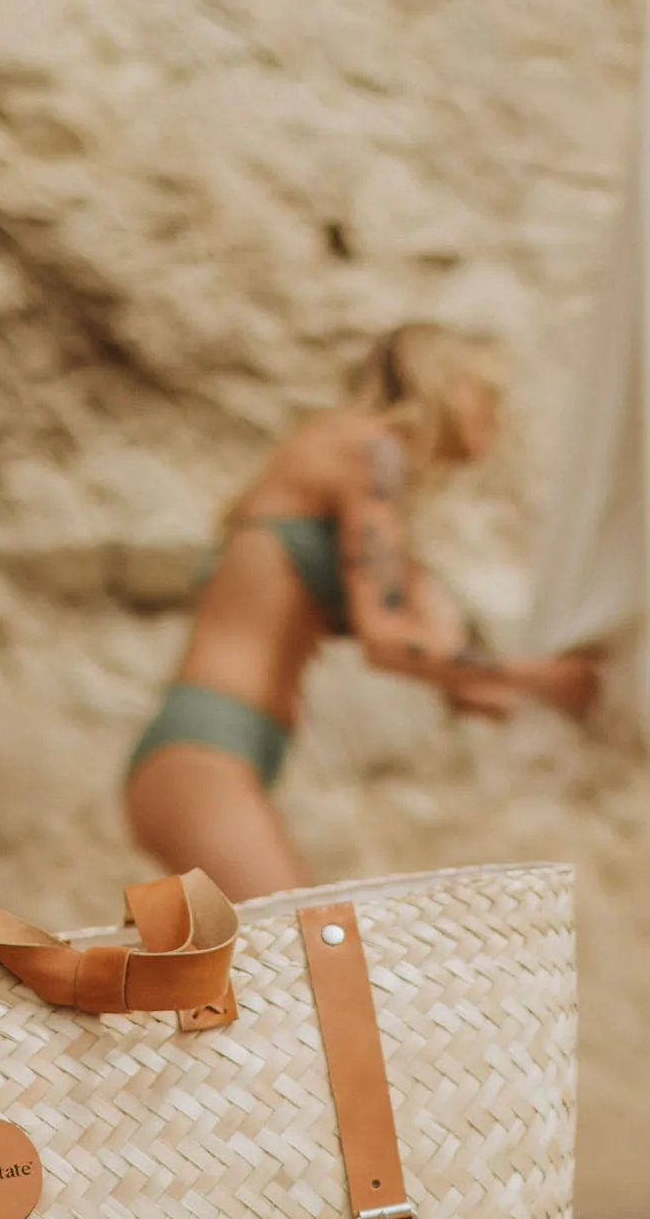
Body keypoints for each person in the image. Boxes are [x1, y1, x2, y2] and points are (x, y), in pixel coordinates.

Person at [123, 324, 600, 897]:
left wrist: (610, 697)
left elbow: (467, 686)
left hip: (222, 757)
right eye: (487, 391)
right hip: (202, 755)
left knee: (270, 976)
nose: (499, 413)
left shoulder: (375, 494)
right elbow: (391, 642)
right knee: (313, 963)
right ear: (442, 384)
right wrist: (549, 679)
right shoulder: (363, 449)